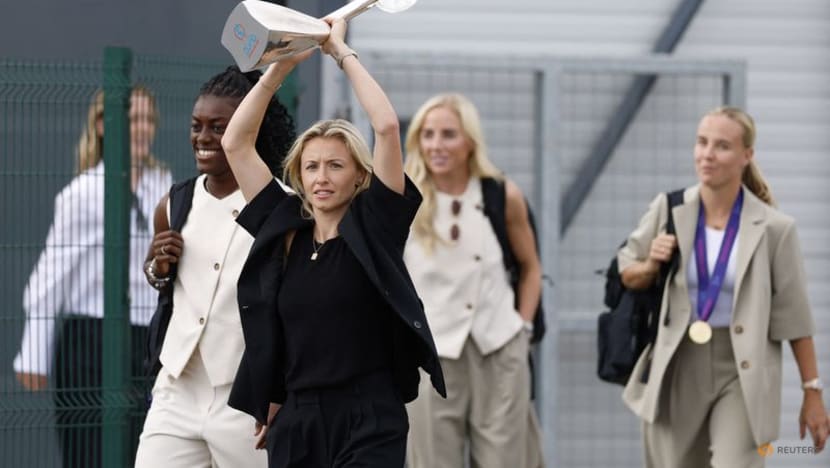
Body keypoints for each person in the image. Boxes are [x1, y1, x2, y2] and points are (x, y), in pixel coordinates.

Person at [220, 18, 446, 468]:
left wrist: (339, 51)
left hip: (369, 417)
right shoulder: (284, 226)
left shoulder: (376, 224)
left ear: (360, 174)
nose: (322, 178)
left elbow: (385, 127)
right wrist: (281, 66)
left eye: (335, 166)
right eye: (312, 167)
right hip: (297, 418)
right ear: (298, 176)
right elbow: (236, 143)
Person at [618, 106, 830, 467]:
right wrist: (652, 263)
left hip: (742, 367)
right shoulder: (667, 209)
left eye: (722, 146)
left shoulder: (775, 229)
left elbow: (795, 316)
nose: (707, 154)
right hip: (678, 361)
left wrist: (812, 392)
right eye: (702, 143)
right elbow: (626, 271)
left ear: (747, 156)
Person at [133, 66, 295, 468]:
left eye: (218, 128)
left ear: (248, 131)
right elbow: (163, 283)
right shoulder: (174, 204)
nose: (203, 138)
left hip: (246, 397)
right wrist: (157, 267)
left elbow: (297, 306)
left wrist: (280, 390)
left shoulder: (284, 207)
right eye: (196, 126)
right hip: (177, 390)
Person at [13, 86, 172, 468]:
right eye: (134, 119)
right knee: (87, 452)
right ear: (104, 125)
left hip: (145, 341)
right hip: (89, 341)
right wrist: (33, 355)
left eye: (149, 120)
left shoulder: (163, 186)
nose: (142, 129)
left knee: (143, 451)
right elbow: (51, 274)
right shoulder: (81, 193)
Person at [400, 93, 545, 468]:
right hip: (431, 359)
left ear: (470, 141)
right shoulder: (402, 198)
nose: (436, 145)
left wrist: (522, 328)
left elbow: (530, 268)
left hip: (498, 351)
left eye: (448, 134)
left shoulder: (502, 194)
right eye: (427, 134)